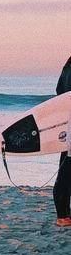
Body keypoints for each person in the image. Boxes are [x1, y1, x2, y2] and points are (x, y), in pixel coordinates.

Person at [53, 56, 71, 227]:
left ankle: (64, 215)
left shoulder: (66, 68)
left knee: (65, 169)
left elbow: (59, 93)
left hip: (67, 124)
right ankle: (63, 216)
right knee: (66, 171)